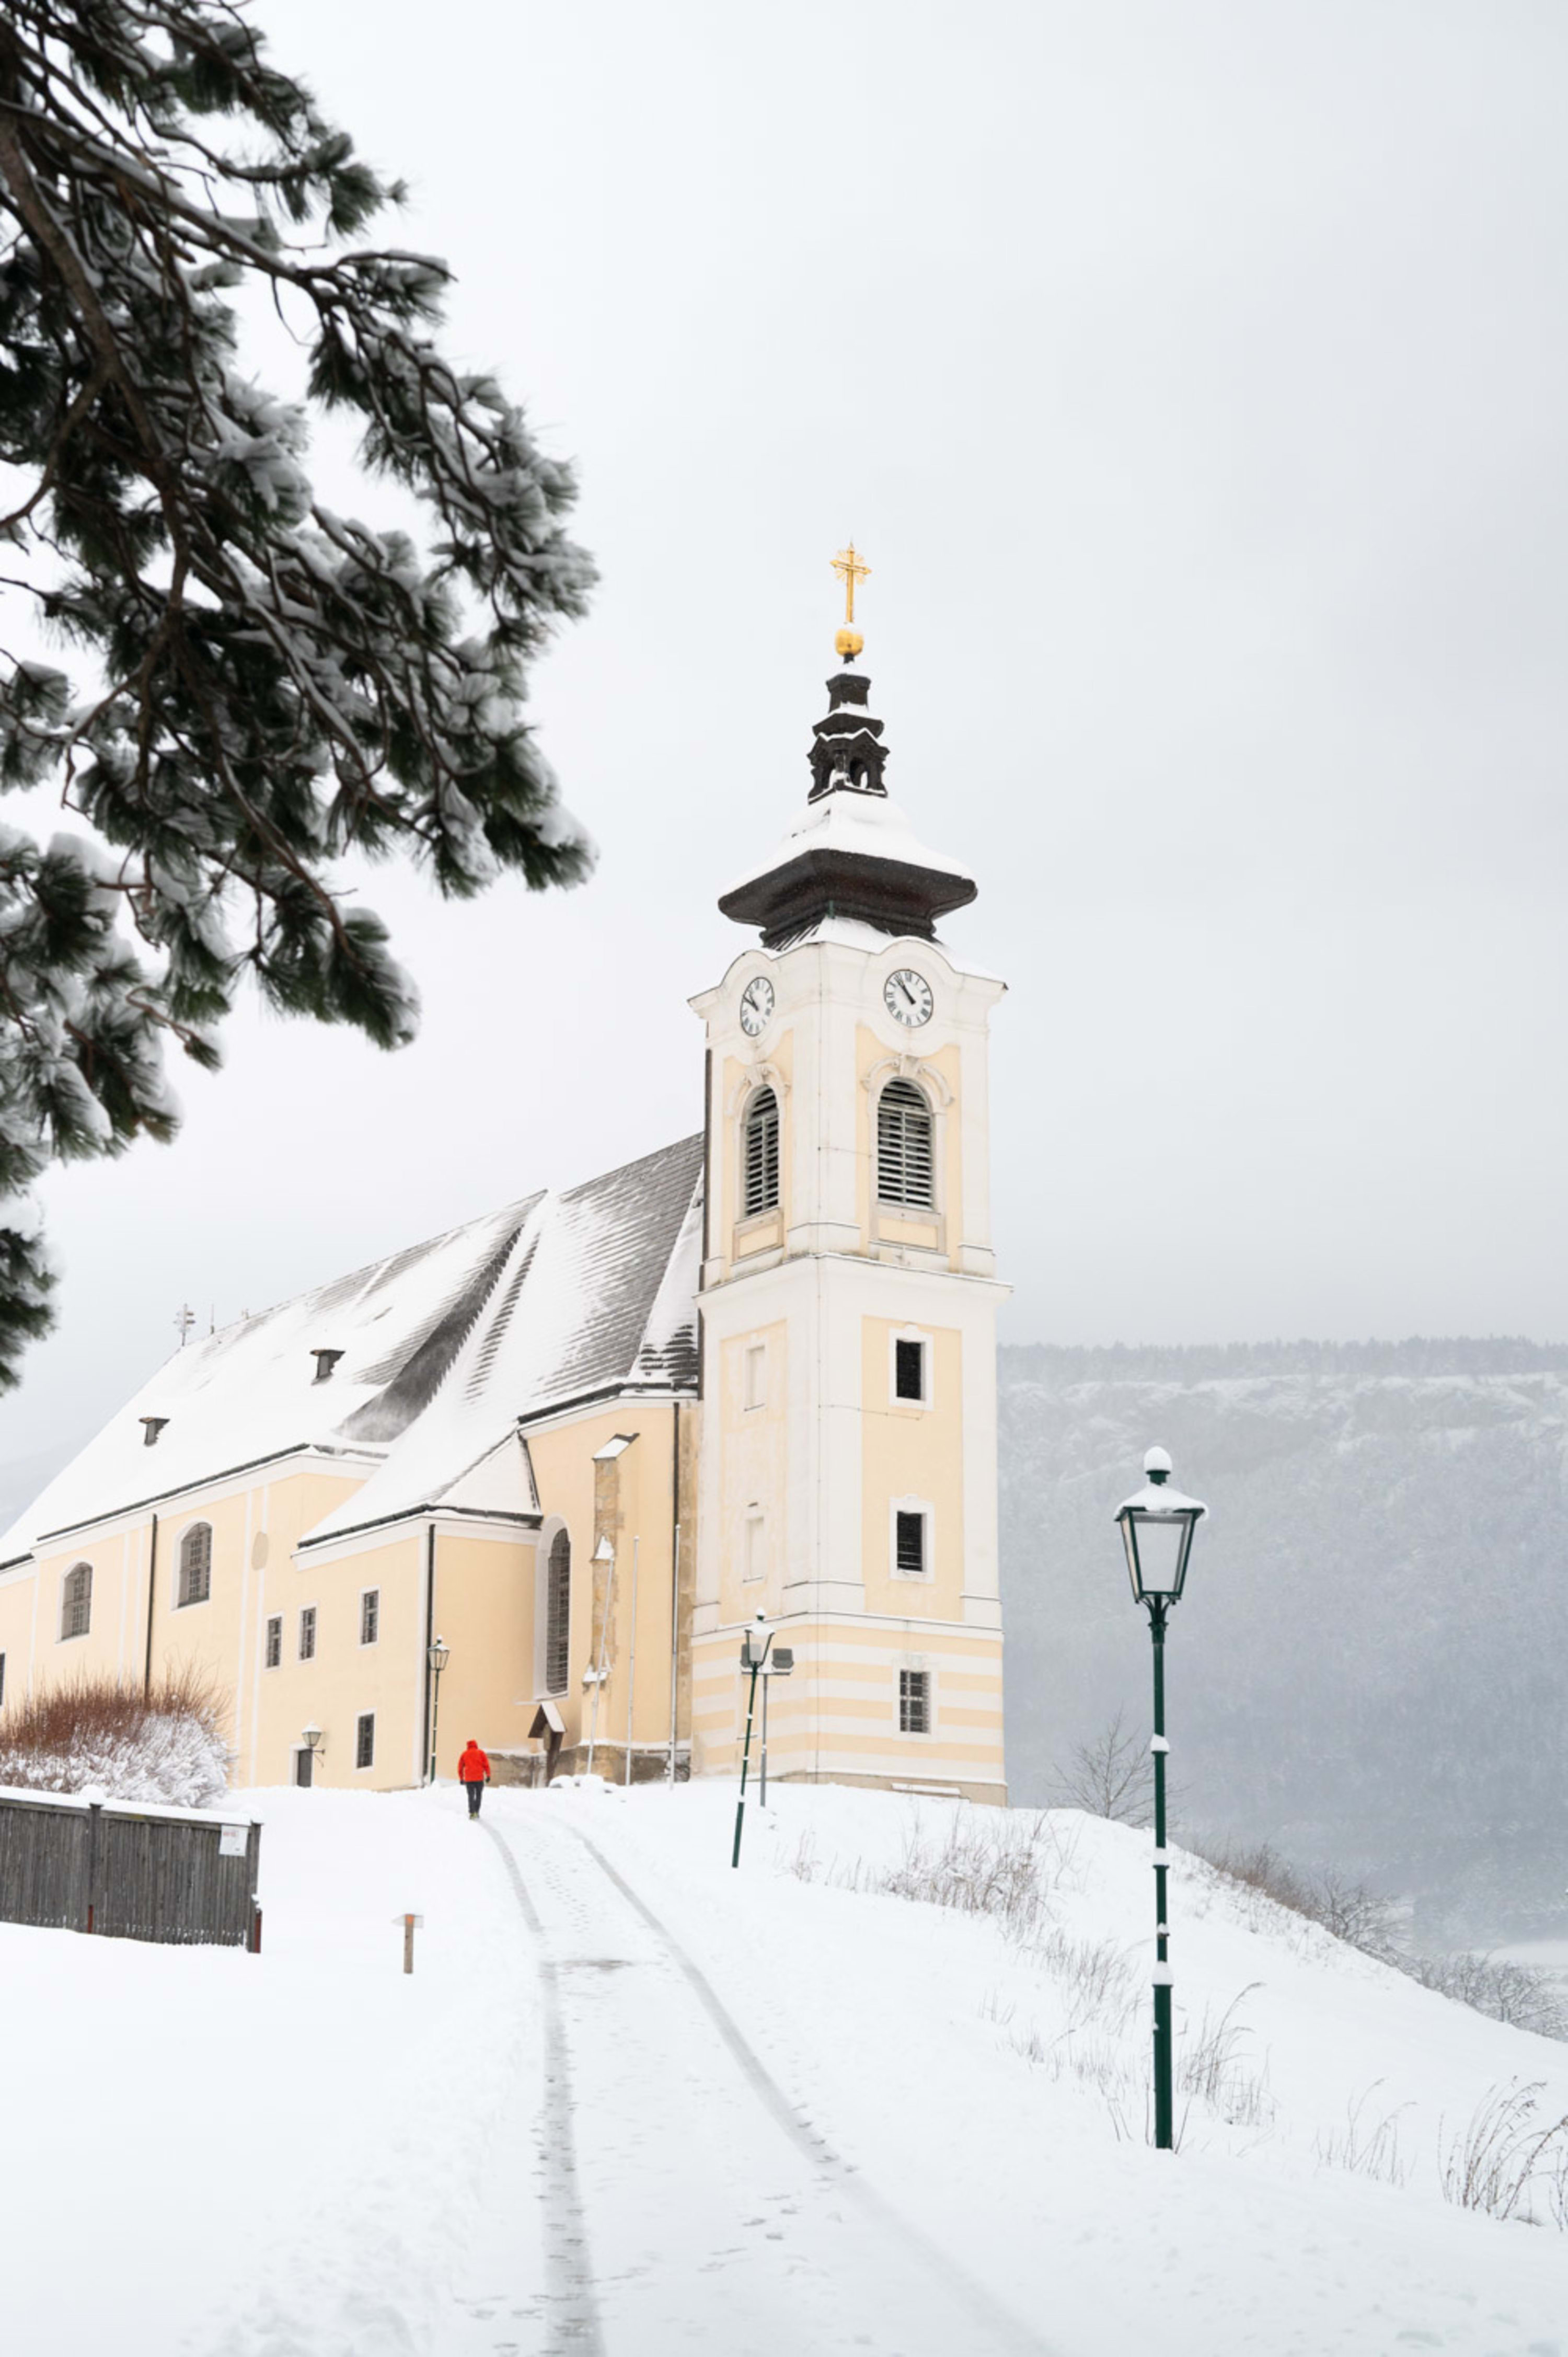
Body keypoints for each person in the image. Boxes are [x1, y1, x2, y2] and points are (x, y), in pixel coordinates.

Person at [457, 1737, 491, 1818]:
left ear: (468, 1746)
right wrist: (488, 1775)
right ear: (476, 1745)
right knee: (479, 1795)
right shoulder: (481, 1753)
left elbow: (460, 1767)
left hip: (469, 1780)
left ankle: (472, 1812)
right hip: (479, 1779)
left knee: (471, 1795)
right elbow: (486, 1765)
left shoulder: (464, 1754)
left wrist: (461, 1778)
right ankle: (477, 1811)